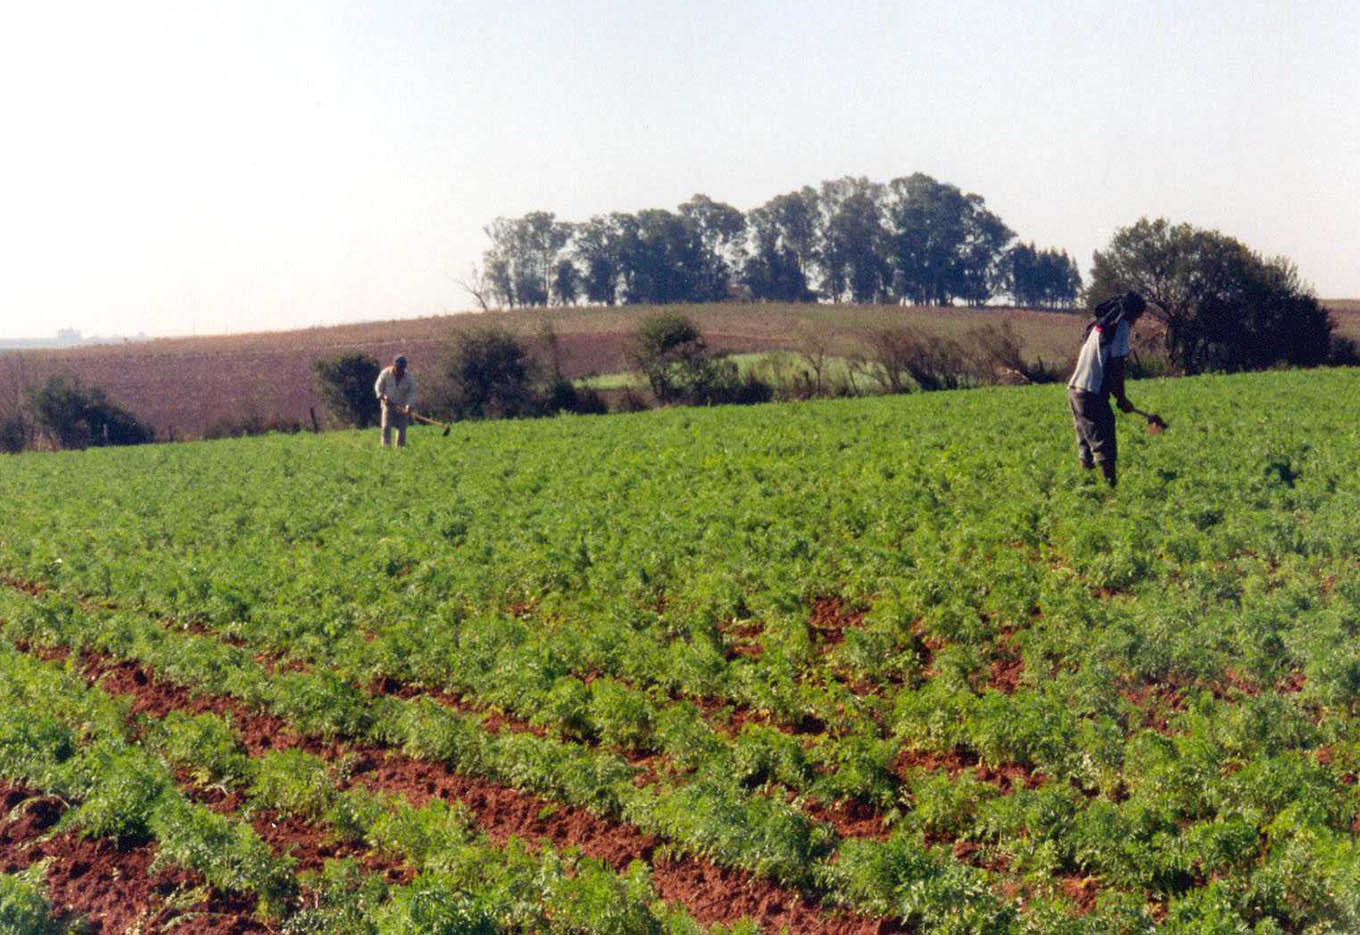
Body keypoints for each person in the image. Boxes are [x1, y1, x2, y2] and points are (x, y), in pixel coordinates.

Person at [1066, 291, 1147, 488]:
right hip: (1091, 393)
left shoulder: (1100, 326)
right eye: (1138, 316)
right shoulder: (1121, 326)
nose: (1137, 321)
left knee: (1086, 446)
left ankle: (1088, 492)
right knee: (1105, 446)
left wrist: (1119, 397)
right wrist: (1121, 398)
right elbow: (1115, 365)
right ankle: (1111, 494)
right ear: (1132, 313)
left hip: (1075, 391)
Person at [374, 354, 417, 447]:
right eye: (398, 367)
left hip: (402, 406)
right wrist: (382, 396)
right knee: (386, 428)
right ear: (394, 365)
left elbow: (413, 392)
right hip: (388, 405)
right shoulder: (385, 373)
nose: (400, 370)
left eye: (402, 368)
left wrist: (409, 405)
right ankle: (386, 449)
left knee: (402, 430)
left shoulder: (409, 377)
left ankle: (400, 450)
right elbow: (378, 386)